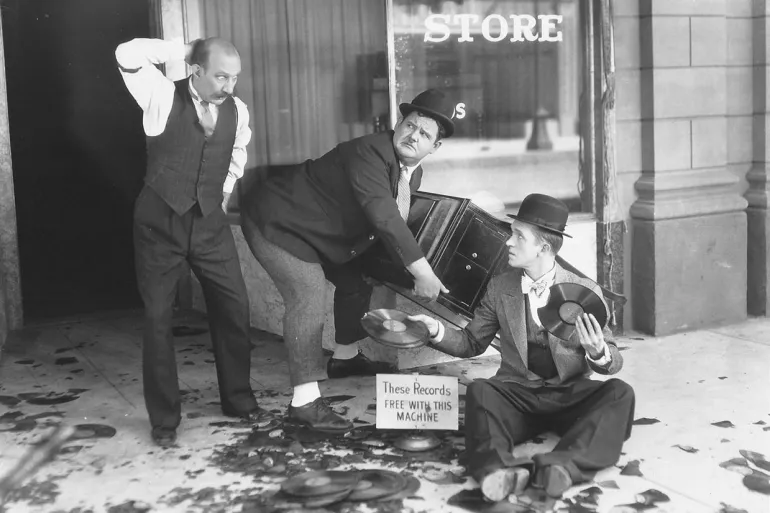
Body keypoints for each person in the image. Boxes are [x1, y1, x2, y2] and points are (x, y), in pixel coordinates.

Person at [239, 89, 456, 432]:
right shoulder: (369, 151)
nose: (414, 135)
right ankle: (305, 403)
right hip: (277, 221)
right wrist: (421, 272)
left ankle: (345, 358)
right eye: (410, 125)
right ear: (399, 123)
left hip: (319, 231)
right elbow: (385, 217)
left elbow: (385, 223)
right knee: (307, 293)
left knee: (357, 279)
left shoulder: (411, 172)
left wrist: (403, 266)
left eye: (425, 134)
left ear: (435, 147)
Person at [409, 193, 635, 501]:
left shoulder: (585, 291)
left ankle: (562, 467)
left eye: (518, 236)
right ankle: (496, 472)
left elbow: (613, 359)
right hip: (518, 397)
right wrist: (436, 331)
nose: (507, 243)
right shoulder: (501, 286)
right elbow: (472, 342)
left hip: (568, 397)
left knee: (619, 393)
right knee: (480, 392)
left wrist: (598, 352)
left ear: (543, 246)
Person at [115, 37, 276, 447]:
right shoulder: (159, 95)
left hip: (208, 224)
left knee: (235, 306)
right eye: (221, 75)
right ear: (196, 70)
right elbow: (126, 54)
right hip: (159, 224)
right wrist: (185, 49)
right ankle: (165, 421)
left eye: (235, 77)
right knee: (157, 318)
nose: (229, 85)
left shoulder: (236, 110)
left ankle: (238, 399)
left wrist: (221, 193)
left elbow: (237, 151)